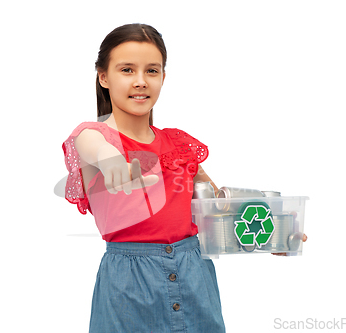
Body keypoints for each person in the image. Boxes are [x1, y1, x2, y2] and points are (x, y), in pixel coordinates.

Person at [62, 23, 225, 332]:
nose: (140, 82)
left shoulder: (179, 144)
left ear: (163, 77)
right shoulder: (92, 136)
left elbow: (219, 209)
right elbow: (94, 148)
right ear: (104, 77)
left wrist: (268, 231)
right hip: (130, 285)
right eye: (127, 70)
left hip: (196, 276)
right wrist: (112, 161)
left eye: (152, 71)